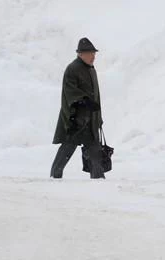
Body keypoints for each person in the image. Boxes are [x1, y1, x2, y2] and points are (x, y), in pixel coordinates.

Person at [50, 37, 105, 179]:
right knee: (67, 148)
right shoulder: (72, 69)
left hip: (90, 120)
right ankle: (54, 176)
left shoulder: (91, 69)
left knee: (94, 150)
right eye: (90, 53)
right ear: (81, 54)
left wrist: (98, 118)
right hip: (76, 120)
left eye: (94, 53)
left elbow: (96, 97)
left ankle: (99, 179)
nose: (93, 56)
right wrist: (84, 101)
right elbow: (70, 92)